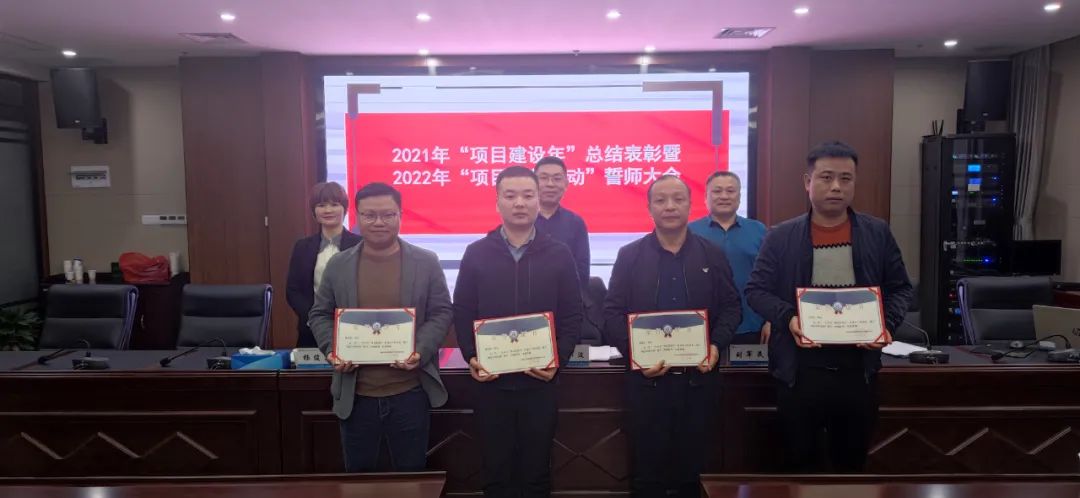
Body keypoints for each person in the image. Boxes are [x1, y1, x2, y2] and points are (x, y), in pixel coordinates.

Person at [745, 141, 913, 473]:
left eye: (845, 178)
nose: (836, 186)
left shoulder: (877, 233)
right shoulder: (780, 236)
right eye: (826, 177)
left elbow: (901, 288)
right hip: (799, 372)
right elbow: (756, 290)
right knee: (800, 466)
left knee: (850, 466)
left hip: (857, 371)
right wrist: (788, 318)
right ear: (807, 181)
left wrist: (886, 324)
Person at [602, 175, 742, 498]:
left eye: (678, 199)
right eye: (661, 200)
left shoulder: (712, 254)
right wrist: (636, 355)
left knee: (695, 473)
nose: (670, 206)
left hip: (699, 383)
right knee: (647, 475)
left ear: (690, 205)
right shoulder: (629, 255)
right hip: (647, 385)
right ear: (649, 207)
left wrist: (716, 345)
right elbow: (611, 313)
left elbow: (731, 307)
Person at [453, 165, 583, 498]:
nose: (520, 203)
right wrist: (471, 356)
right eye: (510, 196)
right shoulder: (476, 253)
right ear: (497, 202)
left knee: (536, 473)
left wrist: (558, 359)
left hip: (540, 382)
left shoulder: (559, 253)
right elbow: (463, 310)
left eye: (528, 195)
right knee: (496, 472)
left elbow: (572, 314)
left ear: (539, 200)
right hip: (491, 384)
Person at [308, 182, 452, 473]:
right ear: (357, 217)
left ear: (400, 215)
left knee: (410, 481)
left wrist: (419, 350)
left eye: (387, 215)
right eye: (369, 215)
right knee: (360, 484)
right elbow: (319, 314)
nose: (378, 222)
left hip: (409, 393)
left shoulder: (426, 261)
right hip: (356, 395)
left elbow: (441, 312)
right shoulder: (338, 264)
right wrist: (333, 350)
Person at [688, 171, 769, 344]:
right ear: (706, 197)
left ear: (739, 197)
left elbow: (773, 277)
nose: (724, 196)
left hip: (753, 323)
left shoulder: (759, 230)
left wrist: (771, 320)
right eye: (717, 191)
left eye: (730, 191)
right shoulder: (689, 232)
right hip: (703, 327)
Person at [287, 182, 362, 347]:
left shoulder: (360, 245)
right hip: (311, 329)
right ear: (314, 211)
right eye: (321, 205)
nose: (328, 210)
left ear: (345, 208)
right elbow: (293, 290)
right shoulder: (302, 247)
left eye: (334, 205)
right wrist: (313, 317)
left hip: (354, 328)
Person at [533, 156, 590, 288]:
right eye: (544, 178)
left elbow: (582, 272)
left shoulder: (575, 223)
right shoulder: (521, 220)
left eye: (557, 179)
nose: (550, 184)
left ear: (566, 184)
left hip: (567, 296)